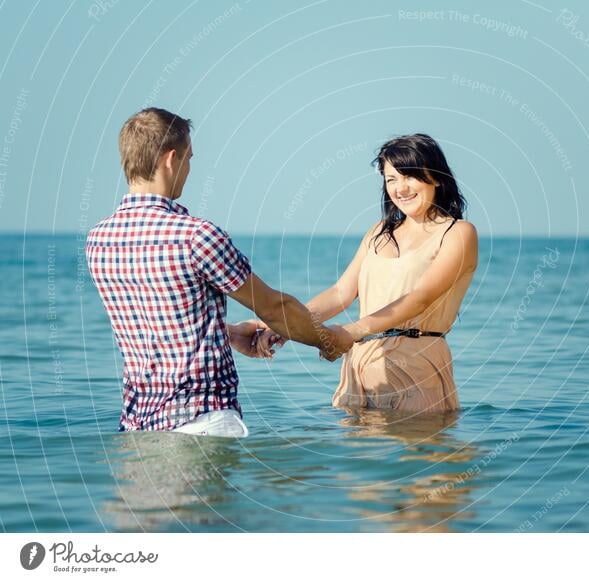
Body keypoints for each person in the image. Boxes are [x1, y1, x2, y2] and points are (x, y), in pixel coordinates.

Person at [86, 108, 352, 437]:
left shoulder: (98, 241)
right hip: (201, 421)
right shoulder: (196, 237)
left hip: (138, 427)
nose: (188, 169)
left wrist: (225, 334)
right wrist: (326, 341)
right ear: (171, 159)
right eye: (189, 159)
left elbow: (156, 322)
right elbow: (274, 308)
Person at [261, 134, 478, 413]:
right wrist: (285, 326)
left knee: (417, 453)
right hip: (359, 365)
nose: (400, 188)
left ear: (435, 178)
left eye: (409, 176)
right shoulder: (378, 232)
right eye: (391, 179)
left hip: (415, 364)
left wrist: (349, 331)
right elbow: (341, 293)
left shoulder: (458, 233)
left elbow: (420, 298)